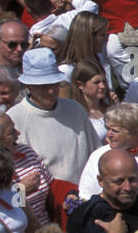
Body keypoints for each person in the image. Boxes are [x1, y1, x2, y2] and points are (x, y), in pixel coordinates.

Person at [8, 48, 98, 186]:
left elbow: (95, 155)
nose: (50, 91)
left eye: (54, 84)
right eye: (43, 86)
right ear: (29, 86)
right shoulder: (14, 119)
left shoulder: (75, 110)